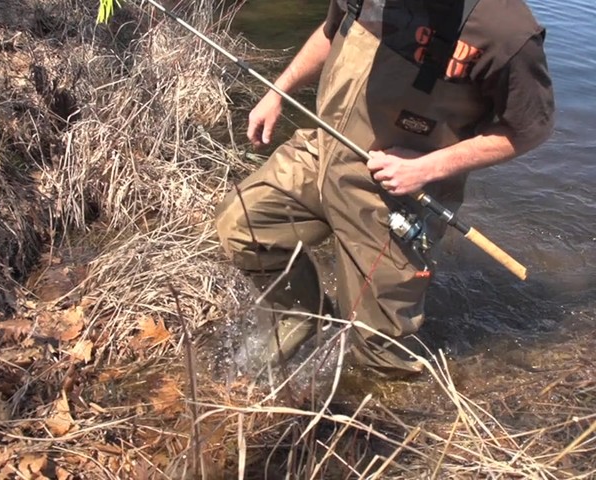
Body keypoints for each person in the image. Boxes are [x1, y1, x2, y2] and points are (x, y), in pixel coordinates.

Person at [215, 0, 555, 377]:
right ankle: (300, 316)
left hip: (395, 195)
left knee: (381, 351)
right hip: (323, 150)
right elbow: (333, 33)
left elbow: (527, 129)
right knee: (244, 225)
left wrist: (427, 166)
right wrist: (278, 90)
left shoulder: (507, 30)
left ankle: (394, 421)